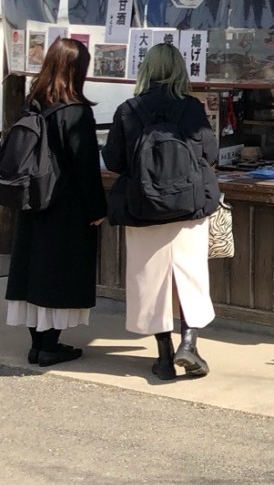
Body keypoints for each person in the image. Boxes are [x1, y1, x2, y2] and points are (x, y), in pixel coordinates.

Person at [103, 43, 219, 382]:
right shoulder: (192, 108)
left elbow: (114, 161)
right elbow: (210, 152)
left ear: (147, 69)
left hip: (142, 208)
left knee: (149, 281)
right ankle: (190, 342)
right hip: (188, 209)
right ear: (180, 70)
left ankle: (164, 356)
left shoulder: (128, 110)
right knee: (191, 276)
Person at [5, 38, 107, 367]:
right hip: (65, 209)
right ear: (78, 70)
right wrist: (97, 211)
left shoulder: (32, 103)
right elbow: (85, 168)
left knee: (33, 272)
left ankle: (38, 345)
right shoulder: (76, 113)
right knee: (60, 274)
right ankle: (50, 346)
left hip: (32, 201)